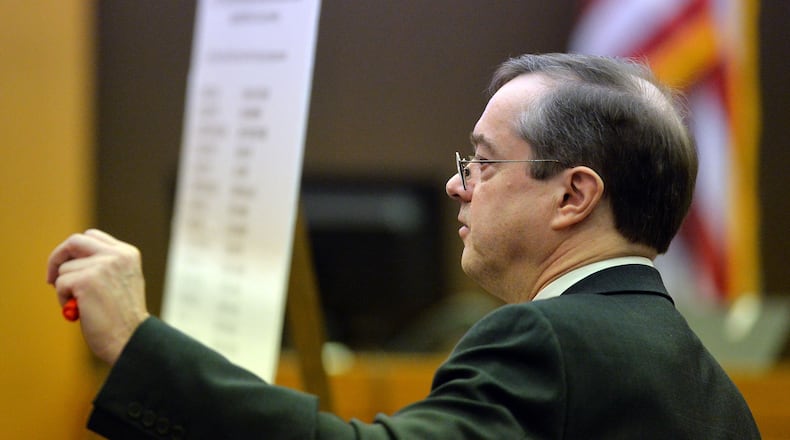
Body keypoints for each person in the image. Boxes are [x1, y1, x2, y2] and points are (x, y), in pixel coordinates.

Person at [47, 53, 759, 439]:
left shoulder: (545, 341)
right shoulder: (718, 395)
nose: (457, 185)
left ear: (573, 195)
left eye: (483, 162)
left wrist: (137, 343)